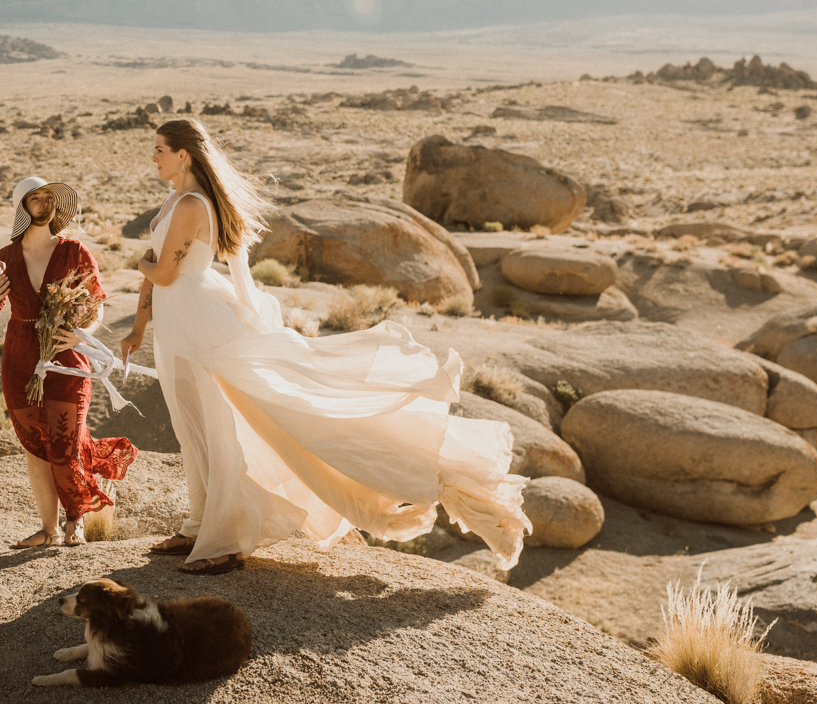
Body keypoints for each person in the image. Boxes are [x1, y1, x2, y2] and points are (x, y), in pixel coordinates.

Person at [119, 118, 530, 576]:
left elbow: (162, 272)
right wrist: (138, 327)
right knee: (188, 426)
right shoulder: (176, 200)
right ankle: (197, 524)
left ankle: (225, 540)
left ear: (184, 155)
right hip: (178, 322)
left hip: (197, 322)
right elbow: (156, 274)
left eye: (159, 149)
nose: (152, 157)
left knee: (216, 430)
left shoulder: (193, 204)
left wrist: (139, 262)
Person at [0, 178, 137, 548]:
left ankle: (75, 520)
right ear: (22, 206)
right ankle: (48, 530)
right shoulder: (4, 258)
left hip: (66, 358)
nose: (45, 203)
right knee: (37, 449)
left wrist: (81, 334)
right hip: (19, 361)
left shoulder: (74, 251)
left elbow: (96, 306)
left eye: (49, 197)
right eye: (36, 198)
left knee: (64, 444)